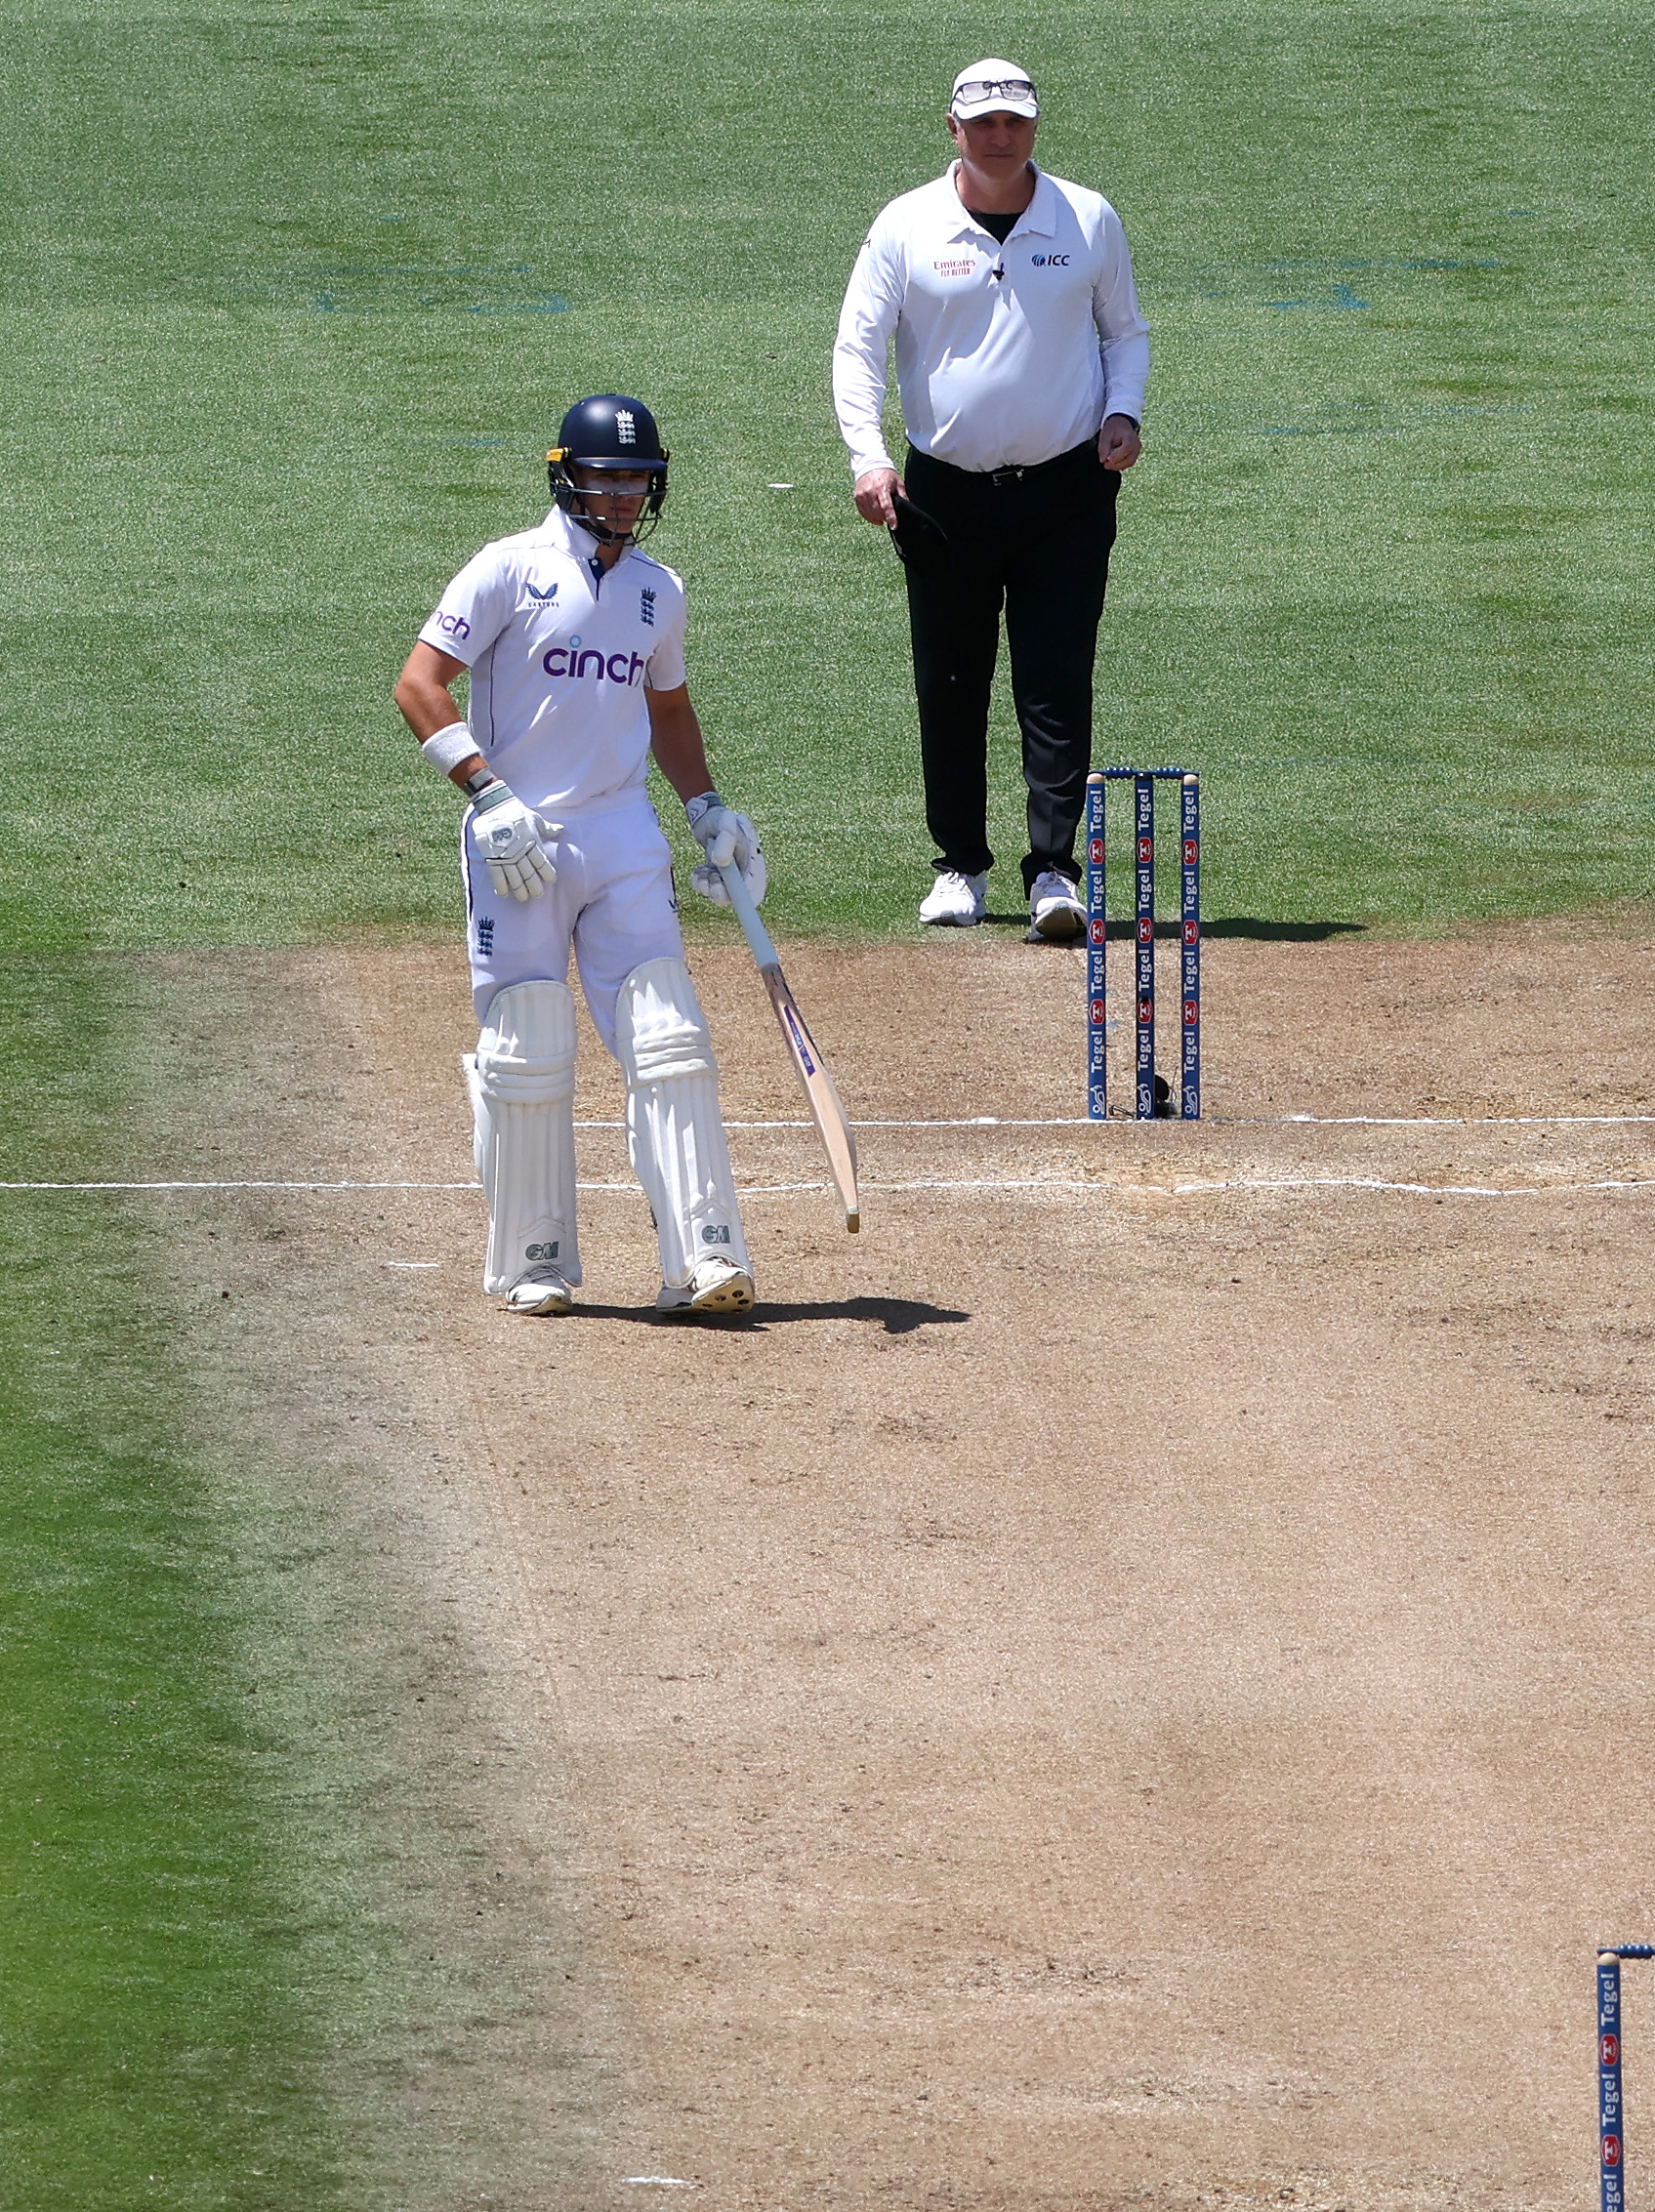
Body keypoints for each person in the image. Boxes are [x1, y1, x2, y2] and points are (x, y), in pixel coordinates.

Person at [392, 395, 770, 1317]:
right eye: (606, 476)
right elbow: (417, 686)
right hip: (518, 837)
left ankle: (706, 1255)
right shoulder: (505, 570)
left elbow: (669, 709)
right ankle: (535, 1261)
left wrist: (707, 809)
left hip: (622, 835)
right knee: (527, 1041)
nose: (623, 494)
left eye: (638, 478)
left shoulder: (658, 590)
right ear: (567, 475)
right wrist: (485, 791)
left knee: (667, 1034)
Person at [834, 58, 1151, 942]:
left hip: (1068, 489)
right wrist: (868, 459)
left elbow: (1125, 332)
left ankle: (1053, 869)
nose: (999, 136)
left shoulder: (1087, 218)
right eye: (983, 123)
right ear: (953, 129)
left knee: (1056, 681)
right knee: (950, 679)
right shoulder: (905, 224)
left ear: (1034, 128)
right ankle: (959, 867)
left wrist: (1123, 411)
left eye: (1014, 121)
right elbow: (856, 350)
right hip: (941, 493)